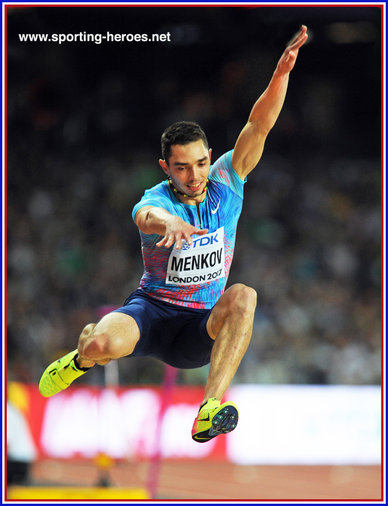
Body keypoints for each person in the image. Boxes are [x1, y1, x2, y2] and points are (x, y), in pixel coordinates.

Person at [39, 26, 308, 443]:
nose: (195, 175)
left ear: (209, 158)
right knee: (100, 345)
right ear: (166, 167)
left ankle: (209, 409)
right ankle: (80, 357)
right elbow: (144, 217)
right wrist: (170, 223)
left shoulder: (227, 181)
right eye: (182, 167)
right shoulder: (157, 198)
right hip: (151, 312)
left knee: (245, 296)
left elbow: (260, 124)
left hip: (199, 326)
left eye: (201, 163)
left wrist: (281, 73)